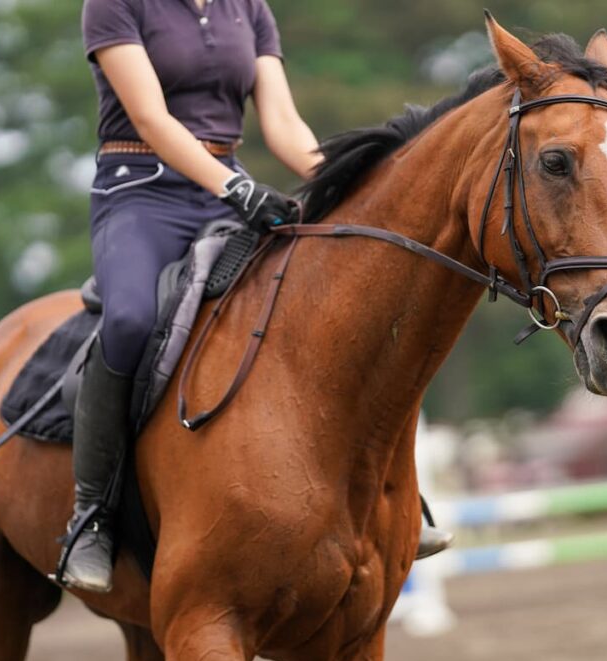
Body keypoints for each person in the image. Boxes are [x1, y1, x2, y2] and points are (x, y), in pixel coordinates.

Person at [64, 0, 450, 593]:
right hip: (141, 192)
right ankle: (90, 515)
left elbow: (283, 124)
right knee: (131, 320)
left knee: (323, 300)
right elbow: (151, 118)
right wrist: (238, 188)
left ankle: (384, 491)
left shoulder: (248, 8)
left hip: (225, 188)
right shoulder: (115, 4)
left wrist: (354, 184)